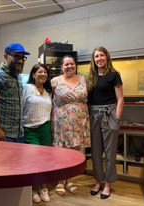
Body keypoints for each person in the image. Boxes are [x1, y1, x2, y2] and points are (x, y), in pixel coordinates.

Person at [87, 47, 124, 199]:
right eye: (96, 56)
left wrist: (117, 118)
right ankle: (98, 181)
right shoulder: (91, 78)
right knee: (95, 152)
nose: (99, 58)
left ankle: (108, 184)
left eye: (102, 55)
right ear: (93, 59)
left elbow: (120, 99)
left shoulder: (114, 75)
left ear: (107, 57)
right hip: (94, 115)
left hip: (109, 114)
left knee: (109, 152)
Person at [51, 54, 90, 196]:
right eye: (66, 64)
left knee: (74, 152)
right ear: (61, 67)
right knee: (62, 152)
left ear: (75, 65)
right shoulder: (55, 81)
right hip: (62, 122)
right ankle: (60, 181)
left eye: (72, 64)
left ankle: (69, 180)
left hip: (80, 121)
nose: (69, 66)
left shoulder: (83, 79)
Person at [0, 43, 30, 142]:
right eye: (17, 56)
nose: (21, 61)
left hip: (18, 133)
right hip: (3, 133)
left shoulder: (17, 76)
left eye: (23, 57)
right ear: (6, 56)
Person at [22, 63, 52, 203]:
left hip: (45, 128)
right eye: (39, 72)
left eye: (45, 72)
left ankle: (43, 187)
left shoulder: (48, 91)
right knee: (33, 160)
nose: (43, 74)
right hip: (30, 129)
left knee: (44, 160)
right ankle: (33, 188)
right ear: (33, 75)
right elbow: (21, 108)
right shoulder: (27, 88)